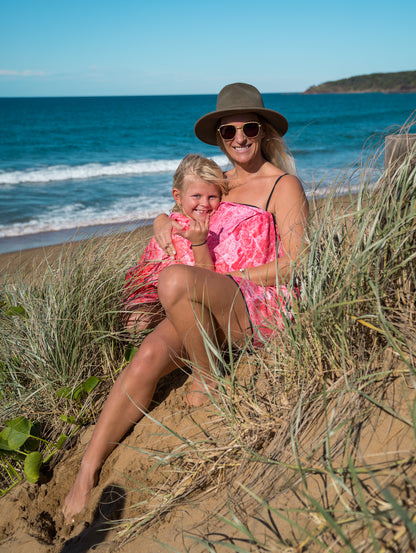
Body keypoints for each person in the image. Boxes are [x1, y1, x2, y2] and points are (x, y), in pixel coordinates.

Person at [62, 83, 309, 523]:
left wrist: (232, 278)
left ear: (264, 130)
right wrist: (160, 220)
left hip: (255, 306)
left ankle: (210, 379)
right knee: (148, 356)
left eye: (249, 127)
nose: (239, 138)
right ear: (219, 137)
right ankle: (86, 472)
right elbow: (181, 210)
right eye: (229, 131)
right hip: (202, 297)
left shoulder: (282, 185)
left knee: (176, 279)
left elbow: (296, 263)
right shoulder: (218, 183)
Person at [124, 153, 225, 333]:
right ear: (177, 196)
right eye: (196, 195)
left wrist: (199, 242)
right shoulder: (171, 227)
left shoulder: (219, 225)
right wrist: (161, 219)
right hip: (156, 297)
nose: (205, 204)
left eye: (212, 196)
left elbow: (206, 278)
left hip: (198, 298)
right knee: (136, 323)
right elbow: (145, 277)